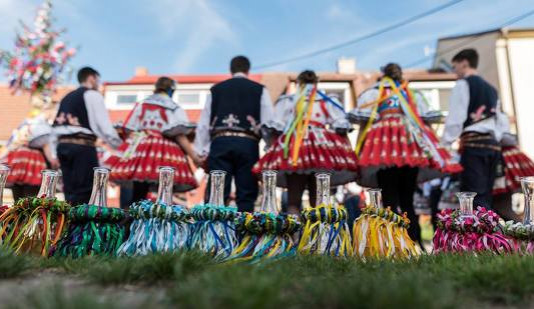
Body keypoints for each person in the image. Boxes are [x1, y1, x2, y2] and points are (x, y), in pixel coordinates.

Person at [349, 63, 461, 244]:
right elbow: (425, 121)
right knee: (408, 199)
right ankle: (414, 242)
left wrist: (360, 152)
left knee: (389, 199)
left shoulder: (374, 94)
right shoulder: (411, 94)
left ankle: (393, 243)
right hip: (410, 148)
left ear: (383, 74)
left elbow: (363, 122)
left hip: (383, 150)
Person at [252, 70, 358, 214]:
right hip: (320, 148)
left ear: (298, 84)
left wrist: (271, 148)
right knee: (318, 199)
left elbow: (276, 127)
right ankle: (318, 233)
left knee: (294, 200)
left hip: (295, 148)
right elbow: (340, 125)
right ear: (316, 83)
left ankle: (295, 234)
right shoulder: (324, 101)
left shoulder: (289, 101)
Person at [194, 55, 273, 212]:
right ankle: (244, 232)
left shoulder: (216, 90)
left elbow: (203, 123)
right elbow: (268, 122)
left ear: (231, 69)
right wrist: (269, 148)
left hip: (220, 142)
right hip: (248, 143)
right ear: (247, 70)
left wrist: (202, 151)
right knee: (247, 192)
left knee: (217, 191)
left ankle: (213, 232)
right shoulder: (259, 90)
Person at [107, 77, 198, 202]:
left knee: (139, 187)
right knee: (164, 188)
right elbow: (179, 133)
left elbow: (129, 128)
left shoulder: (142, 104)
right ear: (171, 90)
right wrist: (194, 157)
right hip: (164, 152)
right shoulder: (173, 106)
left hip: (141, 148)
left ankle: (134, 217)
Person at [51, 67, 122, 205]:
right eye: (97, 80)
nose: (98, 83)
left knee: (70, 192)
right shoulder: (92, 94)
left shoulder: (66, 97)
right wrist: (121, 146)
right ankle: (82, 226)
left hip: (63, 147)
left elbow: (55, 128)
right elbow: (103, 126)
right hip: (82, 147)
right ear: (91, 78)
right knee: (86, 192)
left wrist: (54, 153)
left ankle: (69, 225)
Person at [442, 49, 503, 208]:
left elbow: (456, 119)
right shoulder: (492, 89)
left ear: (464, 63)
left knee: (473, 197)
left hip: (474, 147)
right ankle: (489, 232)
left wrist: (444, 146)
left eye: (455, 67)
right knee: (486, 197)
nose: (454, 72)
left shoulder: (463, 84)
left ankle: (478, 233)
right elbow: (501, 122)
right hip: (493, 146)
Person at [3, 110, 58, 200]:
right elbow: (46, 146)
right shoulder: (42, 127)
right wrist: (54, 162)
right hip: (33, 165)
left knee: (18, 196)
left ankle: (18, 211)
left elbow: (11, 145)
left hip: (18, 161)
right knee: (30, 197)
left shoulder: (25, 125)